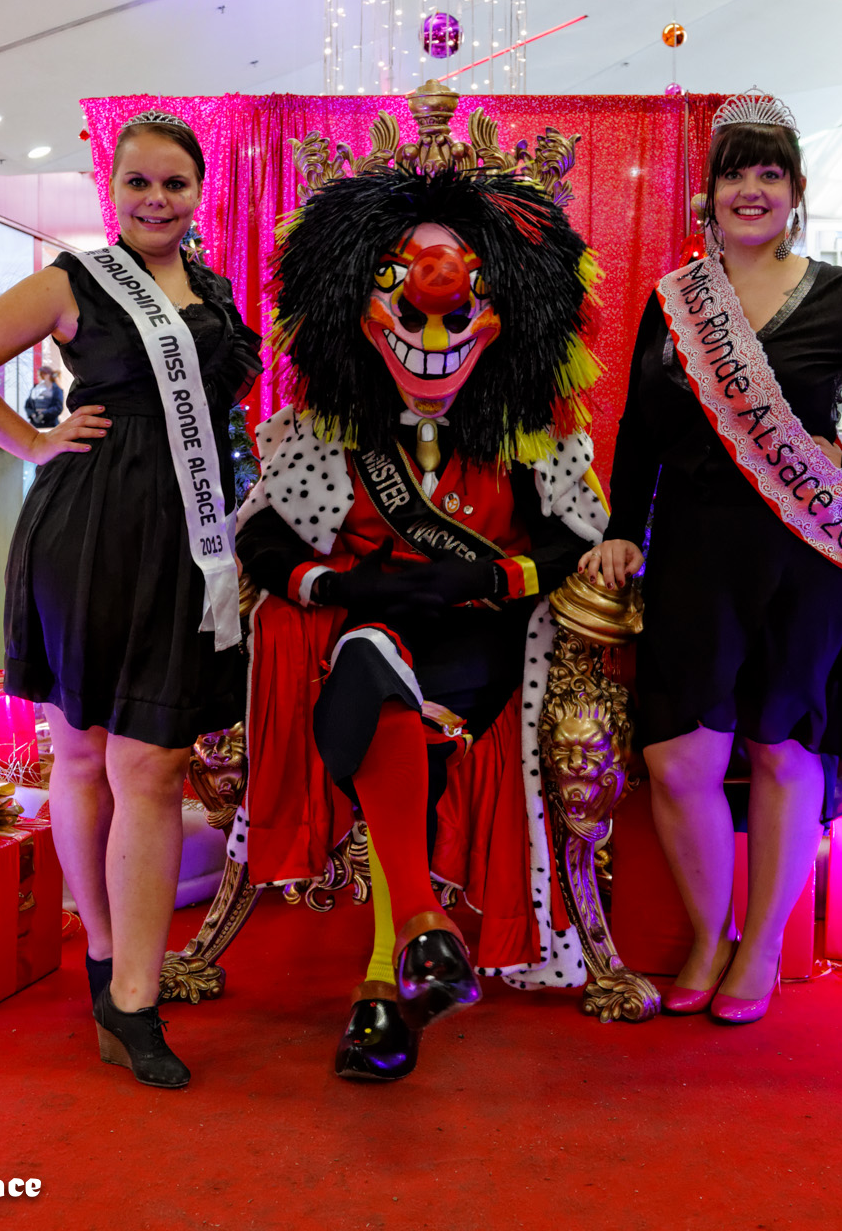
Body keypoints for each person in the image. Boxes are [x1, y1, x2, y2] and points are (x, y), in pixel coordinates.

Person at [581, 89, 842, 1024]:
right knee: (681, 753)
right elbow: (640, 426)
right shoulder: (675, 301)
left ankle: (760, 949)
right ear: (708, 193)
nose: (751, 191)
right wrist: (621, 528)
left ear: (795, 194)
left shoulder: (841, 296)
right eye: (735, 174)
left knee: (781, 750)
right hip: (691, 546)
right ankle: (710, 937)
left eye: (771, 175)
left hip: (805, 552)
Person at [235, 89, 609, 1082]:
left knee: (372, 675)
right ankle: (406, 962)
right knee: (364, 661)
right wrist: (335, 582)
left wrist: (495, 573)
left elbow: (574, 545)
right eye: (402, 297)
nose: (430, 329)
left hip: (476, 644)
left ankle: (403, 955)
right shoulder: (321, 432)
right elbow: (266, 541)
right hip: (358, 633)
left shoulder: (535, 434)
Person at [0, 112, 260, 1089]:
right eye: (139, 183)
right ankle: (107, 955)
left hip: (188, 541)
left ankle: (132, 999)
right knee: (81, 753)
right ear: (112, 188)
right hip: (90, 534)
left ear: (201, 192)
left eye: (175, 184)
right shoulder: (73, 282)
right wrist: (29, 444)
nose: (156, 200)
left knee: (149, 764)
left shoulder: (216, 294)